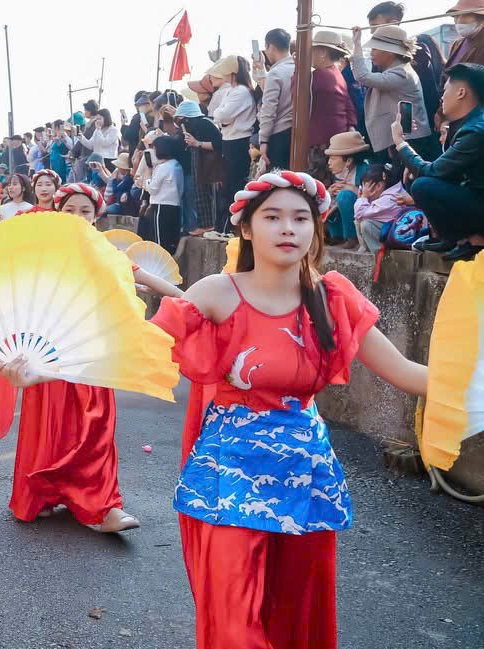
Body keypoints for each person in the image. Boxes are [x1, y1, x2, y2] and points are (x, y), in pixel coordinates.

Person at [150, 171, 427, 649]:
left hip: (305, 471)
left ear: (316, 229)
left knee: (299, 616)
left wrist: (470, 387)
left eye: (301, 218)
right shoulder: (218, 292)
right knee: (233, 622)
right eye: (273, 217)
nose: (287, 229)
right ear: (245, 228)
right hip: (228, 475)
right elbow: (143, 347)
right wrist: (45, 368)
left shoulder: (333, 297)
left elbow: (404, 371)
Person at [0, 182, 181, 535]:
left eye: (86, 212)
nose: (78, 217)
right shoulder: (40, 252)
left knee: (95, 424)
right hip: (47, 351)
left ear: (96, 218)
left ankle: (105, 505)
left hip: (92, 351)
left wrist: (191, 301)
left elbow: (148, 279)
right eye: (70, 211)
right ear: (57, 213)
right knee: (47, 425)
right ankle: (43, 493)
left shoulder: (105, 252)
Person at [394, 62, 484, 261]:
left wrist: (400, 144)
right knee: (415, 177)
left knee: (423, 184)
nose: (442, 97)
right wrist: (412, 161)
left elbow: (433, 173)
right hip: (475, 196)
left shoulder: (475, 129)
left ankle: (471, 241)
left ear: (461, 92)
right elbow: (445, 170)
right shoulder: (468, 123)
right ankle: (455, 238)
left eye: (446, 90)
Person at [351, 25, 435, 161]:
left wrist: (357, 45)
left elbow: (363, 77)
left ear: (389, 51)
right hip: (402, 139)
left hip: (410, 141)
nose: (371, 52)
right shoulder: (399, 71)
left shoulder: (402, 73)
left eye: (375, 48)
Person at [367, 1, 445, 122]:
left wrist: (435, 114)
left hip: (415, 122)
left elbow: (428, 87)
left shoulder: (416, 52)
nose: (371, 32)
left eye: (374, 26)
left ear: (393, 24)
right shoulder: (378, 54)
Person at [211, 56, 257, 233]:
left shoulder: (241, 92)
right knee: (228, 186)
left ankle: (230, 227)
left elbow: (223, 115)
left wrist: (220, 115)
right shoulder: (233, 91)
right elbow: (220, 114)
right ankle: (225, 227)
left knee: (234, 186)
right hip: (230, 140)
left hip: (239, 141)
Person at [308, 31, 358, 171]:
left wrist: (297, 70)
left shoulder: (318, 75)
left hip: (320, 141)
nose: (310, 54)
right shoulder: (337, 74)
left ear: (323, 52)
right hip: (336, 138)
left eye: (313, 50)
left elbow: (296, 95)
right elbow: (349, 106)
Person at [177, 101, 223, 235]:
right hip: (199, 161)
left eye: (182, 119)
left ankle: (209, 225)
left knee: (206, 194)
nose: (181, 123)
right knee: (199, 193)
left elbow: (219, 144)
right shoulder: (194, 125)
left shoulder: (203, 123)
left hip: (209, 163)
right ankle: (204, 224)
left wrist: (198, 143)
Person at [255, 28, 297, 170]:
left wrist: (263, 141)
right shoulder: (300, 68)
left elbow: (269, 109)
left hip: (279, 134)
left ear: (270, 46)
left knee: (277, 182)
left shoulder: (276, 73)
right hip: (298, 132)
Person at [322, 131, 370, 249]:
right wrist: (328, 193)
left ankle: (352, 238)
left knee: (344, 196)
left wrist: (353, 190)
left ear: (348, 161)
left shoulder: (366, 172)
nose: (329, 163)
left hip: (364, 218)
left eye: (333, 159)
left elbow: (373, 198)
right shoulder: (338, 175)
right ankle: (337, 236)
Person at [140, 135, 184, 254]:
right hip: (174, 206)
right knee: (169, 241)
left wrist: (146, 179)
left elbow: (153, 189)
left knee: (159, 242)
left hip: (160, 206)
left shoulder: (163, 167)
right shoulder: (177, 165)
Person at [351, 165, 407, 254]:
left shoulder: (390, 199)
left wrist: (363, 197)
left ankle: (381, 256)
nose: (363, 191)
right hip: (395, 233)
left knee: (366, 224)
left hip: (400, 236)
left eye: (366, 186)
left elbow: (359, 213)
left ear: (379, 185)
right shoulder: (393, 192)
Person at [443, 0, 484, 71]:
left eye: (466, 15)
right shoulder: (456, 44)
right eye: (456, 15)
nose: (459, 20)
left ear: (482, 19)